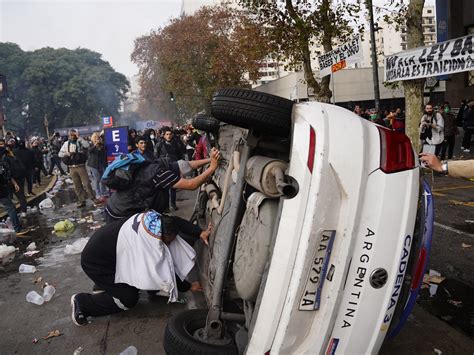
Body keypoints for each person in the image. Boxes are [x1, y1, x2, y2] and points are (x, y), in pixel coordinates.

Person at [70, 211, 211, 326]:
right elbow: (161, 269)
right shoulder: (146, 244)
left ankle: (108, 285)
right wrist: (187, 286)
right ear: (161, 235)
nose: (171, 243)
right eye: (169, 240)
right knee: (128, 299)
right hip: (97, 263)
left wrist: (200, 232)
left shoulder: (156, 220)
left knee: (146, 271)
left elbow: (177, 222)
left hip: (109, 252)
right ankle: (83, 303)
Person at [104, 148, 220, 224]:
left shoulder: (154, 165)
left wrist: (210, 159)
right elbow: (191, 184)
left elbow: (187, 165)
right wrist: (212, 168)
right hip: (120, 214)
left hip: (114, 207)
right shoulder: (159, 174)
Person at [59, 129, 99, 208]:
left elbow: (87, 145)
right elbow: (60, 154)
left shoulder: (80, 142)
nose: (72, 136)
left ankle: (93, 198)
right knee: (77, 185)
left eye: (73, 134)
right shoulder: (66, 144)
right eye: (71, 135)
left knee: (86, 183)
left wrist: (79, 138)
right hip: (71, 167)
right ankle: (81, 200)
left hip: (80, 166)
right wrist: (67, 153)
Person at [0, 147, 29, 235]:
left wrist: (14, 183)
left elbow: (8, 175)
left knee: (10, 207)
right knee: (11, 207)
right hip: (1, 190)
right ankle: (18, 229)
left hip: (3, 189)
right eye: (3, 154)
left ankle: (17, 227)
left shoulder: (3, 164)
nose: (4, 156)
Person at [155, 127, 186, 211]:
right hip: (164, 168)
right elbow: (156, 157)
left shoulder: (176, 144)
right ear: (164, 135)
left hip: (174, 166)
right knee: (164, 188)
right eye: (167, 134)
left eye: (170, 134)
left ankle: (173, 203)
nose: (168, 136)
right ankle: (166, 207)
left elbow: (181, 156)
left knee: (174, 186)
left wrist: (181, 169)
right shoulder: (159, 145)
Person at [87, 132, 108, 202]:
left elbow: (105, 150)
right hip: (93, 165)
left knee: (103, 178)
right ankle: (98, 193)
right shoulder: (91, 144)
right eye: (96, 137)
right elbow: (89, 151)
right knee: (97, 179)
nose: (97, 139)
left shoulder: (102, 144)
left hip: (101, 164)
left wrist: (101, 143)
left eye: (98, 137)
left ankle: (104, 192)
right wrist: (95, 145)